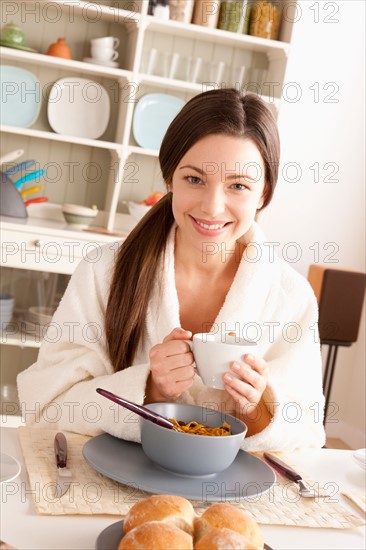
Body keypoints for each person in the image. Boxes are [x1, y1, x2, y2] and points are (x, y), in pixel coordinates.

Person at [17, 89, 325, 451]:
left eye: (238, 185)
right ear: (169, 179)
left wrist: (257, 407)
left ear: (263, 194)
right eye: (194, 179)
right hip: (108, 490)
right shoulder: (103, 272)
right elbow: (45, 406)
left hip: (230, 497)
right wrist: (149, 388)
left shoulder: (290, 297)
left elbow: (307, 436)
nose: (212, 207)